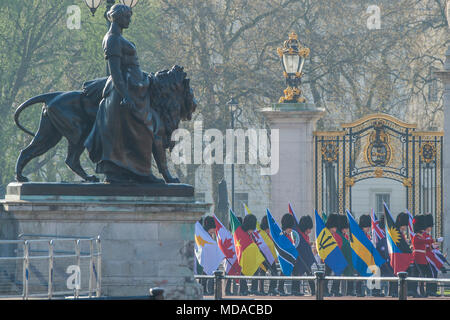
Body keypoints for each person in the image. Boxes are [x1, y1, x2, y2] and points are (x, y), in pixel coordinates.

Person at [85, 4, 163, 184]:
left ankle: (138, 171)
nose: (130, 20)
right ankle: (141, 172)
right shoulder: (112, 39)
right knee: (142, 128)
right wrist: (126, 95)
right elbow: (115, 72)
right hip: (122, 93)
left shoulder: (118, 37)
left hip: (133, 90)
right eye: (127, 16)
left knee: (142, 129)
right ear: (118, 17)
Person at [242, 214, 267, 296]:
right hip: (245, 257)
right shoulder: (243, 234)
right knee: (243, 273)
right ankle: (244, 289)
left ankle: (254, 288)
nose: (251, 230)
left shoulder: (251, 234)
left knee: (256, 271)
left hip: (253, 257)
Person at [279, 213, 303, 296]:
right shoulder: (281, 235)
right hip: (284, 257)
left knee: (296, 272)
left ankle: (295, 290)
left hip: (291, 257)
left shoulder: (290, 235)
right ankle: (280, 289)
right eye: (289, 227)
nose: (290, 229)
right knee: (283, 272)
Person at [259, 215, 281, 296]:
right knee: (262, 273)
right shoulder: (261, 233)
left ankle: (271, 289)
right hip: (263, 257)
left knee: (274, 272)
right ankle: (261, 290)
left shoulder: (267, 234)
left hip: (270, 257)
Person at [324, 213, 342, 297]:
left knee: (337, 273)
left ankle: (335, 289)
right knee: (327, 274)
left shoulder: (333, 234)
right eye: (333, 228)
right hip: (328, 257)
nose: (335, 229)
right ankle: (324, 290)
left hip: (335, 256)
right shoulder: (326, 233)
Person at [298, 215, 316, 296]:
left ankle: (314, 291)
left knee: (310, 275)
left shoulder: (306, 236)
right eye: (309, 228)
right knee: (298, 275)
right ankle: (296, 290)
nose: (310, 231)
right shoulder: (299, 235)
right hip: (300, 259)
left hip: (306, 259)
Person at [337, 214, 354, 296]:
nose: (346, 230)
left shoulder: (344, 236)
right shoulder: (339, 236)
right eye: (345, 228)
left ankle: (348, 291)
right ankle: (337, 291)